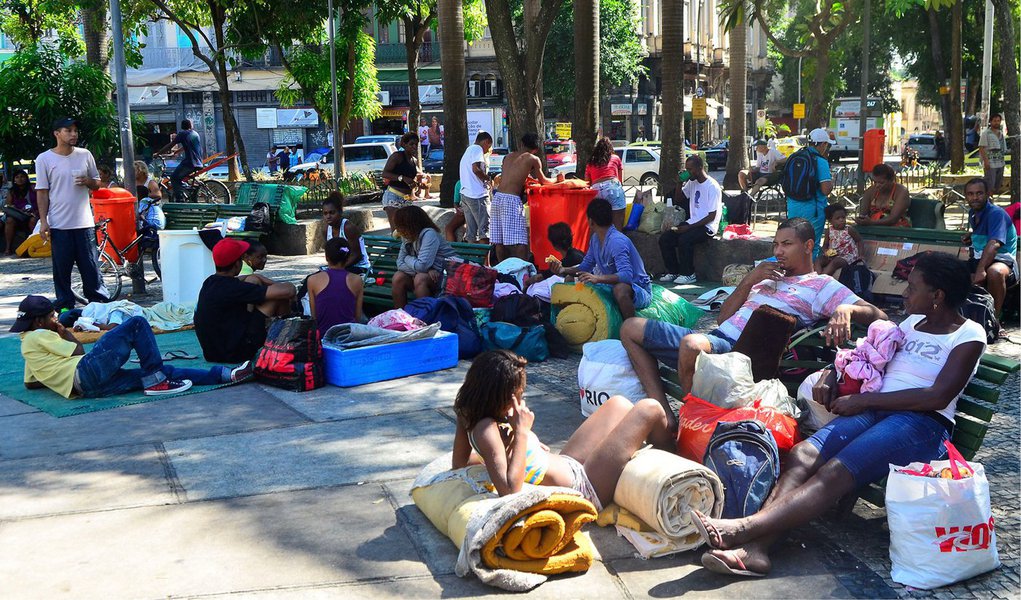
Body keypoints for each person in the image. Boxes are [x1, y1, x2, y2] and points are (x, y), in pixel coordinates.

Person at [691, 253, 986, 578]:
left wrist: (867, 401)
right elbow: (869, 356)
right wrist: (834, 373)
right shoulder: (911, 323)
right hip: (878, 410)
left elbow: (938, 396)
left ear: (937, 296)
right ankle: (757, 550)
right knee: (804, 454)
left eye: (912, 287)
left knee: (834, 471)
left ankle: (743, 530)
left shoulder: (969, 335)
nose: (904, 293)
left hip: (922, 424)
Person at [621, 217, 887, 424]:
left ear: (808, 246)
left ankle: (693, 419)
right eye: (776, 244)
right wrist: (750, 280)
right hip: (718, 339)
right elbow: (724, 318)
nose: (778, 251)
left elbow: (880, 315)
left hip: (742, 355)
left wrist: (846, 310)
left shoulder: (821, 285)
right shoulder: (768, 275)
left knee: (691, 345)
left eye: (786, 244)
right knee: (630, 328)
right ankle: (665, 415)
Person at [452, 350, 674, 508]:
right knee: (650, 409)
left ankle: (666, 461)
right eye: (520, 395)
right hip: (584, 487)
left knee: (619, 404)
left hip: (569, 462)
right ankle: (678, 467)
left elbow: (461, 463)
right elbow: (509, 491)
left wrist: (517, 452)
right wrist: (521, 433)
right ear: (499, 396)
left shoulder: (470, 414)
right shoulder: (487, 430)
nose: (521, 400)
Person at [14, 295, 252, 398]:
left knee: (159, 373)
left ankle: (227, 374)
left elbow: (31, 383)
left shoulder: (28, 343)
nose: (55, 319)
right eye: (52, 316)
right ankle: (157, 381)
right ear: (38, 321)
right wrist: (63, 330)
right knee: (136, 323)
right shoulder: (39, 335)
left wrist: (56, 376)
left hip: (89, 389)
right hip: (85, 373)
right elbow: (78, 352)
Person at [35, 117, 110, 311]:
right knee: (62, 271)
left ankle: (99, 305)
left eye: (75, 130)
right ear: (56, 133)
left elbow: (97, 183)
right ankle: (65, 307)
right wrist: (44, 221)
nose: (73, 134)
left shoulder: (85, 155)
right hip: (59, 224)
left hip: (84, 223)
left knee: (91, 268)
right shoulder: (44, 159)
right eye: (68, 130)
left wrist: (88, 181)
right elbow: (42, 192)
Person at [194, 239, 296, 363]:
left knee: (255, 282)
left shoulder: (210, 282)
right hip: (236, 353)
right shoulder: (235, 288)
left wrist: (257, 277)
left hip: (212, 353)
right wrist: (273, 283)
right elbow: (289, 290)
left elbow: (240, 280)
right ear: (237, 264)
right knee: (278, 298)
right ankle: (287, 343)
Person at [553, 198, 652, 320]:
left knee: (620, 289)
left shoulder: (617, 242)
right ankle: (571, 318)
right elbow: (585, 267)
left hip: (638, 289)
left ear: (590, 221)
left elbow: (626, 276)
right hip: (610, 285)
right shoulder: (595, 239)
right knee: (570, 278)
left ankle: (630, 328)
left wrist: (598, 278)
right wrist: (563, 270)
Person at [492, 133, 561, 261]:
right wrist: (557, 179)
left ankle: (501, 270)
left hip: (497, 198)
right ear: (536, 149)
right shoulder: (533, 159)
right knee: (520, 240)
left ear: (522, 144)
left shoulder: (508, 157)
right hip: (511, 200)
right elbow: (544, 181)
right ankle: (523, 269)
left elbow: (511, 177)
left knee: (499, 240)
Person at [657, 155, 722, 285]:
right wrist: (679, 183)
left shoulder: (712, 186)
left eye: (690, 169)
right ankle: (673, 271)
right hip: (692, 222)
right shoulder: (692, 183)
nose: (688, 172)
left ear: (699, 168)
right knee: (666, 238)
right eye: (686, 169)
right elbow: (678, 200)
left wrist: (688, 227)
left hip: (708, 226)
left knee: (684, 239)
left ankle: (688, 274)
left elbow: (712, 216)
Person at [962, 178, 1018, 316]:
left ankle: (995, 319)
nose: (975, 197)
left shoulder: (996, 213)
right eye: (970, 194)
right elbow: (985, 234)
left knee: (995, 272)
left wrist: (981, 269)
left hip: (1003, 261)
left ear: (988, 194)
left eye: (979, 193)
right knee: (948, 270)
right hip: (980, 258)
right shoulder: (973, 213)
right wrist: (972, 235)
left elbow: (994, 244)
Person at [391, 205, 458, 309]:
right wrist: (427, 270)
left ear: (410, 224)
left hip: (450, 276)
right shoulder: (407, 236)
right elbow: (399, 264)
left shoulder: (429, 234)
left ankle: (425, 318)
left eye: (401, 226)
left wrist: (408, 259)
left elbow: (422, 265)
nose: (399, 230)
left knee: (420, 278)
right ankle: (400, 317)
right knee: (398, 277)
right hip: (432, 275)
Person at [786, 128, 833, 258]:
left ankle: (793, 271)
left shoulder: (795, 157)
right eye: (826, 145)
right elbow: (825, 190)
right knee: (811, 245)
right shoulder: (820, 161)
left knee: (794, 242)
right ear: (823, 144)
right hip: (813, 211)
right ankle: (808, 275)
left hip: (793, 207)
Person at [307, 237, 364, 338]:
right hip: (348, 337)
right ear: (347, 257)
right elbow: (357, 317)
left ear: (326, 257)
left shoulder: (312, 280)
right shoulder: (357, 280)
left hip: (323, 338)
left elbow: (314, 317)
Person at [381, 133, 427, 232]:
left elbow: (411, 179)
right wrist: (402, 178)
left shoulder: (413, 160)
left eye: (416, 144)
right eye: (411, 144)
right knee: (397, 231)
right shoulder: (397, 156)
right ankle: (393, 247)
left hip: (407, 199)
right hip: (393, 197)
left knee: (408, 230)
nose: (414, 147)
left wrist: (419, 185)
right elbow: (385, 174)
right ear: (404, 144)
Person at [154, 119, 204, 203]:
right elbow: (187, 146)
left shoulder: (183, 134)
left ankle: (179, 201)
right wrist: (176, 152)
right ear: (191, 126)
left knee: (174, 178)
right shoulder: (195, 134)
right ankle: (188, 190)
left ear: (182, 126)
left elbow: (171, 145)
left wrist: (158, 153)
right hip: (198, 162)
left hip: (190, 162)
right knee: (179, 177)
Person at [322, 191, 370, 274]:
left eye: (332, 213)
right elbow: (329, 254)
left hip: (358, 267)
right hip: (338, 268)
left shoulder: (348, 228)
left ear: (340, 212)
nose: (328, 216)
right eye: (325, 213)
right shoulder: (326, 230)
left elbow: (356, 255)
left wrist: (338, 268)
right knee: (310, 279)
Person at [459, 131, 494, 244]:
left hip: (466, 194)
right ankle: (485, 261)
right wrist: (487, 179)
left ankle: (472, 260)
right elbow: (476, 169)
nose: (487, 151)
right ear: (486, 142)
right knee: (485, 232)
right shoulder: (477, 149)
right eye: (488, 147)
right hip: (477, 195)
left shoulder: (469, 150)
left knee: (471, 233)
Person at [585, 137, 626, 230]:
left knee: (598, 224)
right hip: (613, 187)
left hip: (596, 191)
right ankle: (616, 240)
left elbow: (587, 182)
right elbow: (620, 179)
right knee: (618, 220)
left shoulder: (591, 162)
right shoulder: (615, 158)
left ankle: (599, 242)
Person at [857, 163, 911, 227]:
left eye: (881, 183)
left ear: (891, 180)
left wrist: (872, 222)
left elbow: (893, 219)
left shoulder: (901, 191)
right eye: (875, 182)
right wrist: (861, 220)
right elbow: (863, 214)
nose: (877, 185)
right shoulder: (871, 191)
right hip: (873, 229)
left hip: (897, 230)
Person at [816, 204, 863, 276]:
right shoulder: (829, 231)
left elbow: (859, 241)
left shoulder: (849, 230)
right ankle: (817, 276)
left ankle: (822, 277)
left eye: (843, 217)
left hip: (847, 256)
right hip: (832, 255)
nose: (841, 220)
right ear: (830, 221)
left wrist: (860, 255)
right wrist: (826, 251)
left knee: (835, 262)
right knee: (818, 260)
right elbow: (825, 244)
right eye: (837, 218)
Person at [4, 169, 38, 256]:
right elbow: (8, 205)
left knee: (33, 220)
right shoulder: (11, 191)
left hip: (34, 213)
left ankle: (32, 245)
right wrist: (19, 210)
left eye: (22, 177)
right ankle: (8, 248)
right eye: (17, 177)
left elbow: (41, 200)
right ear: (14, 180)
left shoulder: (33, 187)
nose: (20, 179)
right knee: (9, 221)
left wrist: (36, 211)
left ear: (26, 178)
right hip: (18, 215)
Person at [978, 114, 1006, 197]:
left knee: (997, 186)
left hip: (1001, 163)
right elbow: (981, 148)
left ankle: (991, 201)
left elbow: (1004, 148)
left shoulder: (1001, 134)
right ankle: (988, 204)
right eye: (995, 121)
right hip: (991, 164)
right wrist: (986, 162)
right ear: (991, 122)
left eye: (998, 121)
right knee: (990, 185)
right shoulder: (986, 133)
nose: (997, 123)